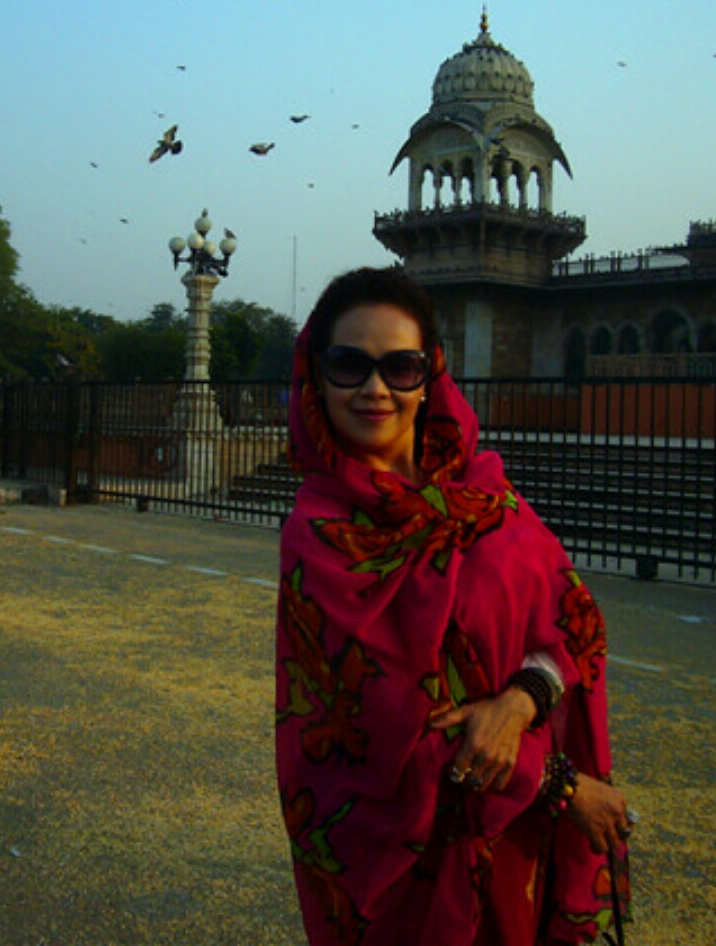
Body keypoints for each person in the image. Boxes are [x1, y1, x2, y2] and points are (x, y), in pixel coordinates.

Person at [275, 267, 632, 946]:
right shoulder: (324, 534)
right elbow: (389, 728)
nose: (375, 388)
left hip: (518, 847)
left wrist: (521, 699)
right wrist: (562, 786)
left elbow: (574, 622)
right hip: (408, 869)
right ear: (315, 379)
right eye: (349, 365)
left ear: (429, 376)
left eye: (399, 367)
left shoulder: (488, 497)